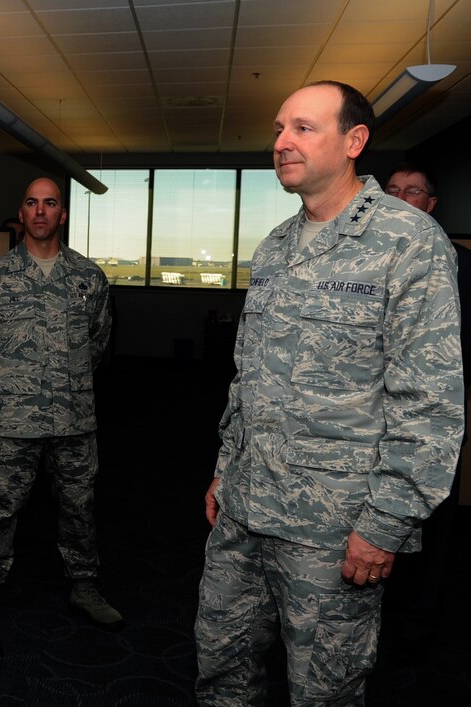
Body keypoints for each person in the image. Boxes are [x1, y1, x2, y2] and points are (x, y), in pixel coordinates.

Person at [194, 81, 463, 705]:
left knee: (325, 691)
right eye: (279, 129)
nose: (281, 143)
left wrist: (386, 523)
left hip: (333, 529)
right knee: (220, 669)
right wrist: (223, 470)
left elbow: (431, 402)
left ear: (354, 141)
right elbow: (249, 378)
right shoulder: (276, 247)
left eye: (303, 129)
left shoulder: (409, 242)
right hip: (244, 509)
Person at [0, 176, 120, 639]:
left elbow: (97, 342)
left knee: (79, 506)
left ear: (62, 214)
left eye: (51, 203)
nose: (42, 211)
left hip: (74, 419)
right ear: (22, 213)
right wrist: (10, 385)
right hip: (13, 421)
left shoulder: (89, 278)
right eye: (32, 203)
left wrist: (65, 384)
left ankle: (84, 586)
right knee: (1, 507)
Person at [382, 163, 469, 652]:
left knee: (432, 523)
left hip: (434, 421)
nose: (399, 198)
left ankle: (419, 619)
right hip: (375, 422)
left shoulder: (456, 263)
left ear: (431, 204)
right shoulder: (370, 261)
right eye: (391, 190)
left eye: (412, 192)